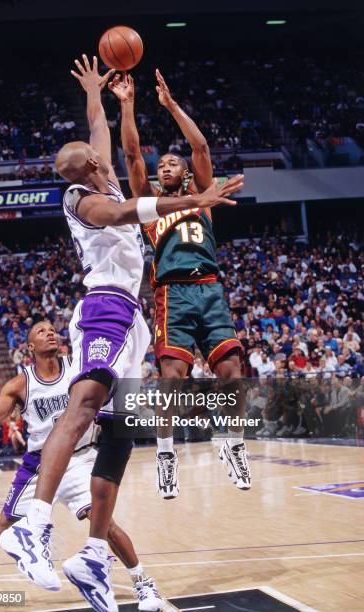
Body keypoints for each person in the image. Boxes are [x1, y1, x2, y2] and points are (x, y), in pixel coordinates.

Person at [0, 54, 244, 612]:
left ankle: (91, 554)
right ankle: (33, 525)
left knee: (119, 433)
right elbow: (128, 213)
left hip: (134, 317)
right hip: (105, 307)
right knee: (84, 403)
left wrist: (97, 93)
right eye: (93, 157)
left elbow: (97, 130)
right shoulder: (87, 200)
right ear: (84, 169)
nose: (101, 154)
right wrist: (195, 200)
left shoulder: (96, 169)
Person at [0, 321, 163, 611]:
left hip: (79, 458)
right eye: (41, 331)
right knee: (3, 528)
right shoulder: (21, 384)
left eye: (52, 329)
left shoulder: (78, 368)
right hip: (41, 464)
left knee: (103, 521)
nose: (49, 332)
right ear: (30, 347)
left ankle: (143, 584)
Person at [110, 70, 250, 498]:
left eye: (172, 163)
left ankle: (232, 442)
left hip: (210, 288)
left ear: (187, 175)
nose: (164, 166)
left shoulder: (204, 195)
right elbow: (133, 156)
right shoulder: (154, 205)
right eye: (162, 165)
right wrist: (128, 104)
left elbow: (200, 146)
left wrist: (170, 105)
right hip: (172, 292)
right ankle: (166, 454)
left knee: (232, 371)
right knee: (172, 376)